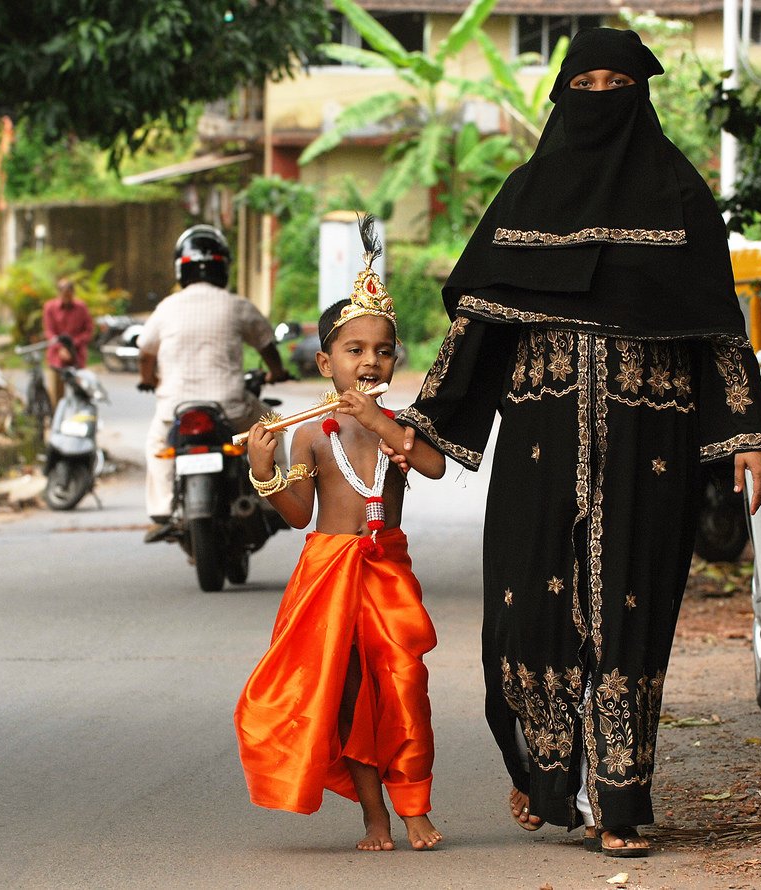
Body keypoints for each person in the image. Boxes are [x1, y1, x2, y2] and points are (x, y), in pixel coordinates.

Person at [391, 27, 761, 857]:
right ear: (563, 93)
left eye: (617, 82)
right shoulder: (526, 199)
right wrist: (422, 422)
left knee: (631, 614)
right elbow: (477, 325)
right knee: (529, 612)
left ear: (642, 94)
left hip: (652, 441)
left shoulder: (680, 200)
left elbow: (717, 327)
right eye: (586, 81)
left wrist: (747, 432)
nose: (601, 96)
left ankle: (624, 799)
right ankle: (547, 774)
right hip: (542, 436)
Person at [233, 218, 446, 852]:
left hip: (388, 572)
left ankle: (415, 805)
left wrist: (380, 421)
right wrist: (263, 468)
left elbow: (431, 465)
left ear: (395, 359)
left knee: (404, 685)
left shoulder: (401, 425)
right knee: (348, 693)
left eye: (382, 350)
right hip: (328, 574)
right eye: (353, 351)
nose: (369, 361)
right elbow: (300, 515)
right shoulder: (310, 434)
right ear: (327, 362)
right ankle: (375, 816)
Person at [137, 224, 289, 542]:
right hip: (230, 406)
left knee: (156, 444)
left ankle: (162, 512)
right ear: (223, 267)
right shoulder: (236, 305)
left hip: (175, 409)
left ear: (181, 268)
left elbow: (145, 351)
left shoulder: (167, 307)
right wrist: (277, 370)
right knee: (272, 428)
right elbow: (266, 345)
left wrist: (147, 379)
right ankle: (274, 503)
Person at [42, 277, 93, 409]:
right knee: (57, 394)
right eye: (64, 294)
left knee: (81, 389)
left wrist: (72, 346)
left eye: (69, 294)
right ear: (59, 293)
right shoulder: (50, 308)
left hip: (77, 355)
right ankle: (56, 420)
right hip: (57, 356)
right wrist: (61, 348)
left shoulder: (81, 307)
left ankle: (81, 416)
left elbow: (88, 330)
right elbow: (49, 331)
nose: (67, 297)